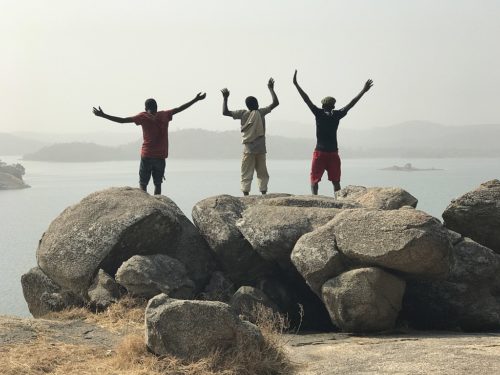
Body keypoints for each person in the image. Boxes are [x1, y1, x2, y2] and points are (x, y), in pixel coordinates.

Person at [92, 92, 206, 195]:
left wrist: (103, 115)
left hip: (147, 155)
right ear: (157, 107)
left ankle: (145, 206)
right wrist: (195, 99)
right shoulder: (164, 115)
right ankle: (158, 207)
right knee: (158, 184)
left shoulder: (143, 116)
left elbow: (122, 120)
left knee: (143, 183)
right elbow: (180, 108)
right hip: (160, 156)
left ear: (146, 108)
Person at [293, 70, 373, 196]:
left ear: (322, 105)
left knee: (314, 180)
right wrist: (363, 91)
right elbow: (351, 103)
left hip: (320, 152)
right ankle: (338, 201)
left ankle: (315, 199)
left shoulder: (318, 113)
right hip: (332, 153)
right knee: (336, 181)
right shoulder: (336, 114)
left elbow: (306, 99)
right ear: (333, 106)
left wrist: (296, 84)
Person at [221, 78, 279, 196]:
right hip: (261, 149)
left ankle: (246, 194)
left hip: (249, 149)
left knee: (246, 172)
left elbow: (225, 112)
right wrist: (271, 89)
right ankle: (263, 192)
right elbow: (275, 103)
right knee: (262, 172)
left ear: (247, 105)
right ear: (256, 104)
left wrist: (225, 98)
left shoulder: (243, 113)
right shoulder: (261, 112)